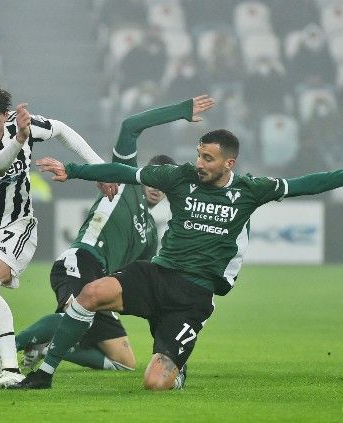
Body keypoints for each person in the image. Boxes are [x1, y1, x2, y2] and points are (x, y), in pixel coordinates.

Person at [14, 125, 343, 390]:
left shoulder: (250, 189)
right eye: (199, 154)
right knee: (91, 294)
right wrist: (74, 171)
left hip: (192, 297)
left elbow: (308, 184)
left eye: (208, 158)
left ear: (229, 163)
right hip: (158, 275)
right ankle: (44, 373)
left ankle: (176, 372)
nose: (200, 162)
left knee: (154, 383)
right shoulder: (179, 177)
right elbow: (126, 172)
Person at [14, 96, 214, 372]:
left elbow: (150, 283)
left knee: (124, 363)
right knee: (75, 312)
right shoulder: (124, 183)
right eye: (153, 177)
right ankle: (4, 349)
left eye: (163, 183)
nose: (156, 187)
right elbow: (130, 126)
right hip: (81, 261)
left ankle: (44, 346)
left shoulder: (151, 237)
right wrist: (180, 111)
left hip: (102, 281)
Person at [0, 81, 117, 388]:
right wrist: (18, 140)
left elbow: (62, 129)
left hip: (17, 225)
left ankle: (10, 370)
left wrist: (100, 169)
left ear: (5, 116)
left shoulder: (20, 125)